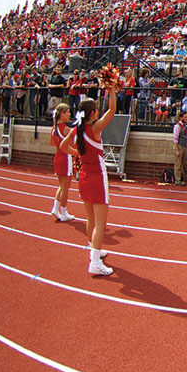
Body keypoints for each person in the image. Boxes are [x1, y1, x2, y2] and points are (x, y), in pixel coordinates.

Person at [60, 88, 117, 276]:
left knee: (91, 219)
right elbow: (112, 110)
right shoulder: (94, 128)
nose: (98, 112)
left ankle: (95, 249)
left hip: (83, 177)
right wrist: (112, 90)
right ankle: (94, 262)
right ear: (92, 113)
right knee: (100, 222)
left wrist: (77, 153)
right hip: (97, 178)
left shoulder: (76, 130)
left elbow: (62, 146)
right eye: (95, 109)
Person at [49, 103, 75, 222]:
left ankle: (55, 208)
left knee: (61, 186)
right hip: (65, 158)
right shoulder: (65, 129)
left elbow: (52, 143)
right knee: (65, 188)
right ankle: (64, 212)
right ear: (61, 114)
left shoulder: (54, 128)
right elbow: (75, 142)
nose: (69, 114)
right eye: (68, 112)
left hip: (58, 157)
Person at [173, 111, 187, 186]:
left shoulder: (185, 126)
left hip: (184, 146)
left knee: (184, 162)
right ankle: (177, 180)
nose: (186, 119)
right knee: (178, 163)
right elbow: (175, 139)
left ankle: (186, 178)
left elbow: (186, 138)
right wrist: (177, 150)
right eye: (185, 117)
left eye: (186, 117)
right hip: (179, 145)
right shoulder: (177, 127)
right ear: (181, 118)